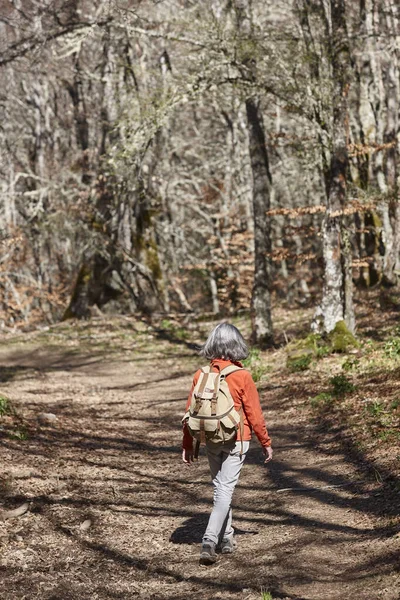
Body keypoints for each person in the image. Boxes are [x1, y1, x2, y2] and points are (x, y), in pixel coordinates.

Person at [182, 322, 273, 565]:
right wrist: (265, 441)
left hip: (209, 438)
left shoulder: (200, 375)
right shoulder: (242, 376)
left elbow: (189, 412)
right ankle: (210, 540)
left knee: (221, 488)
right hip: (237, 439)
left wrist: (187, 443)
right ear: (237, 345)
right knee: (225, 489)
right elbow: (254, 413)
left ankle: (227, 538)